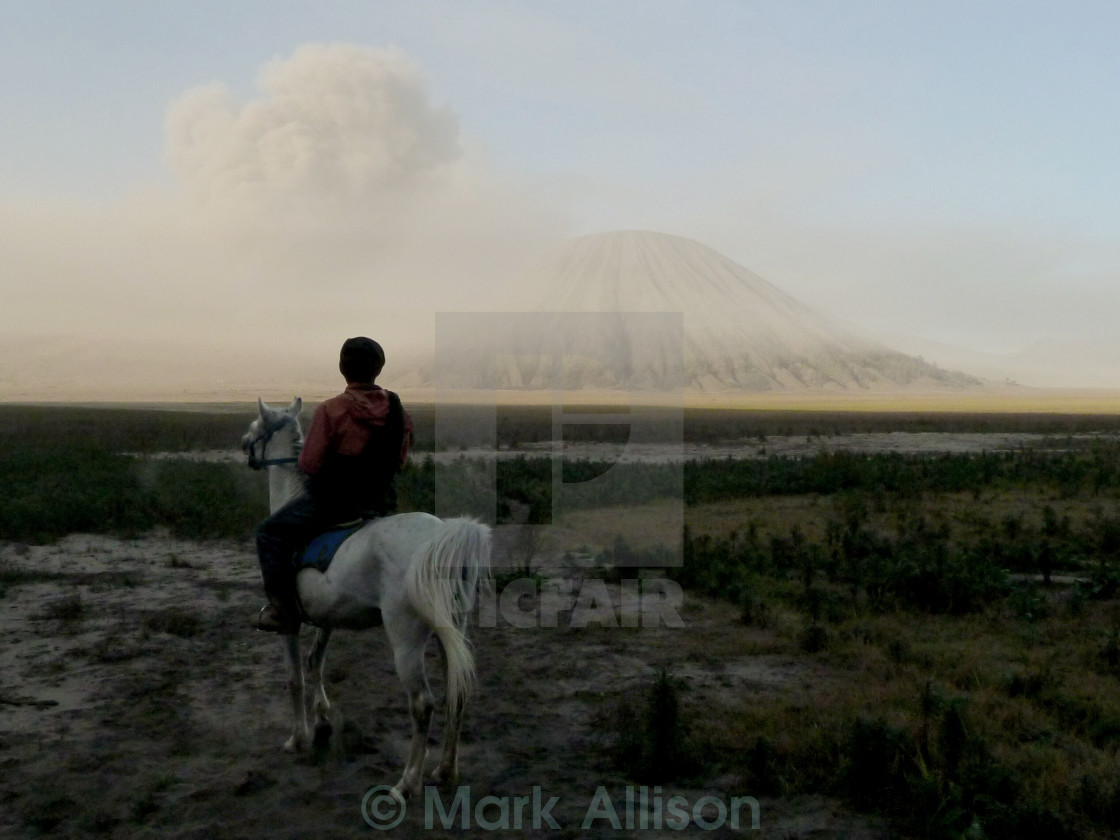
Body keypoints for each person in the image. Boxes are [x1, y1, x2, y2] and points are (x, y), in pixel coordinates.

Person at [254, 337, 413, 633]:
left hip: (333, 505)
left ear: (343, 368)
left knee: (269, 533)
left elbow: (308, 465)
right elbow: (400, 461)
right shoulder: (399, 412)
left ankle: (283, 613)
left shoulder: (332, 410)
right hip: (380, 503)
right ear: (378, 369)